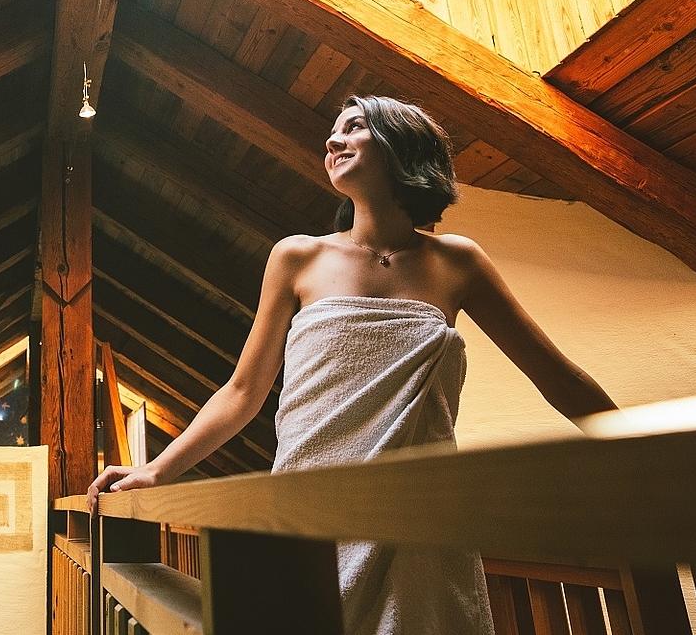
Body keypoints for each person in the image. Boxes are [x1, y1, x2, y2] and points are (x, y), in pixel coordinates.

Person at [86, 95, 617, 635]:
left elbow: (558, 377)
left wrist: (642, 445)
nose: (333, 142)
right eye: (332, 134)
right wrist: (156, 470)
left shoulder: (458, 261)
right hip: (308, 508)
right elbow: (244, 391)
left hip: (418, 517)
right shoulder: (298, 256)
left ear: (403, 147)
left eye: (355, 128)